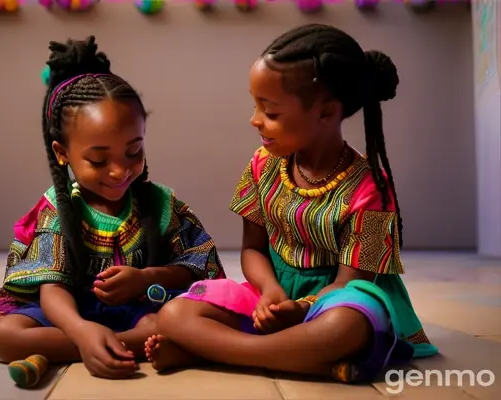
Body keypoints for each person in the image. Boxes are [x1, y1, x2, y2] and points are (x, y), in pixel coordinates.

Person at [144, 23, 438, 383]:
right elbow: (252, 249)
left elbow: (352, 281)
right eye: (255, 106)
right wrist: (271, 290)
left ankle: (220, 351)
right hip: (273, 293)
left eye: (270, 112)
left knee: (347, 326)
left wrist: (301, 309)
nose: (254, 120)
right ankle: (305, 359)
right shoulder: (262, 165)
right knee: (174, 313)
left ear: (327, 113)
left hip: (336, 300)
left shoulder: (373, 190)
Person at [0, 36, 224, 380]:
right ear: (61, 152)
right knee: (5, 336)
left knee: (177, 319)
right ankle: (115, 344)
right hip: (68, 313)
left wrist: (146, 277)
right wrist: (82, 332)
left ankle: (93, 346)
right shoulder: (58, 209)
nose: (120, 170)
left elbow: (198, 264)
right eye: (99, 159)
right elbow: (51, 289)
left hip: (142, 309)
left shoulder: (161, 203)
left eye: (133, 151)